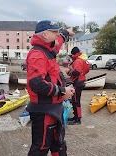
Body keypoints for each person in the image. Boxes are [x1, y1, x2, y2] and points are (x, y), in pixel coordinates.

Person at [25, 20, 75, 156]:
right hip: (44, 110)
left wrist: (66, 33)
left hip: (53, 108)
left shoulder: (48, 50)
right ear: (45, 35)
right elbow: (36, 83)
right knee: (41, 147)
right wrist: (62, 91)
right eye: (54, 32)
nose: (57, 35)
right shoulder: (37, 55)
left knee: (58, 144)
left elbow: (58, 42)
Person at [65, 47, 90, 125]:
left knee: (76, 100)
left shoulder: (78, 61)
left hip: (78, 82)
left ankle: (77, 119)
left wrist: (69, 72)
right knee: (75, 100)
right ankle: (76, 116)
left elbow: (77, 72)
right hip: (81, 81)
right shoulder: (82, 59)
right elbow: (85, 70)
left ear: (74, 54)